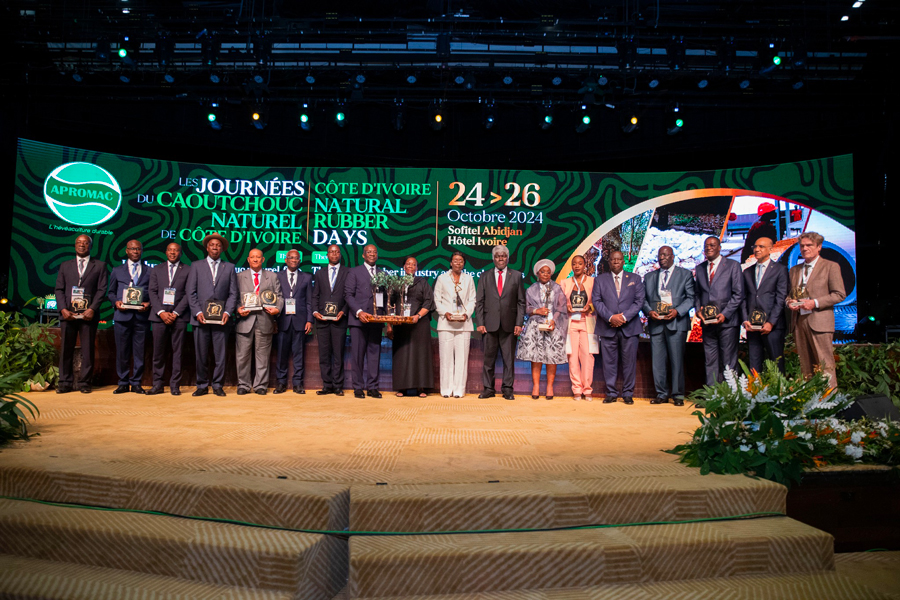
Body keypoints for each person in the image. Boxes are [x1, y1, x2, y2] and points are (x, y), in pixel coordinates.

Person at [787, 232, 846, 388]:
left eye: (809, 245)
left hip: (819, 321)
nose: (805, 249)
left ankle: (830, 403)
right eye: (802, 246)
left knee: (824, 364)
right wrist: (789, 302)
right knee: (805, 366)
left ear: (819, 247)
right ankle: (810, 403)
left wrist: (815, 303)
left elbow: (839, 294)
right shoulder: (794, 270)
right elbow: (790, 294)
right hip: (799, 322)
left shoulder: (830, 266)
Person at [54, 234, 108, 394]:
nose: (82, 245)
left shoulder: (99, 265)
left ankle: (85, 382)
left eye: (86, 243)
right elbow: (59, 289)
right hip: (68, 314)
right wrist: (63, 309)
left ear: (90, 246)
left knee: (88, 349)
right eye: (79, 242)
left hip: (88, 315)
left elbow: (101, 289)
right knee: (66, 349)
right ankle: (64, 382)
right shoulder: (65, 265)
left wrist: (92, 309)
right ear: (75, 245)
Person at [642, 246, 695, 406]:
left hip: (676, 324)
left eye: (665, 255)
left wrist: (677, 311)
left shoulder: (685, 274)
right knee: (658, 362)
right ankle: (661, 394)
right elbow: (643, 300)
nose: (662, 258)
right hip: (656, 323)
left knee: (677, 360)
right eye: (660, 255)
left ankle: (678, 395)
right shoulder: (649, 276)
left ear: (672, 256)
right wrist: (649, 311)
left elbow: (691, 298)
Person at [186, 233, 237, 397]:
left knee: (220, 356)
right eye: (212, 245)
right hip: (201, 319)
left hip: (221, 320)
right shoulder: (196, 266)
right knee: (200, 354)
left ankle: (217, 385)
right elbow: (190, 292)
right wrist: (198, 312)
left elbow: (233, 294)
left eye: (218, 245)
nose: (215, 247)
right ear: (207, 247)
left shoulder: (229, 267)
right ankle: (201, 385)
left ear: (222, 249)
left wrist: (228, 312)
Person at [592, 250, 645, 404]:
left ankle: (628, 393)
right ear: (609, 262)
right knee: (609, 362)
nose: (616, 262)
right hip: (608, 327)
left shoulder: (635, 278)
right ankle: (611, 393)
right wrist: (610, 317)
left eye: (619, 259)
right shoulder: (600, 280)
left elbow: (639, 301)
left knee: (629, 362)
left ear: (623, 262)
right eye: (613, 259)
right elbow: (597, 301)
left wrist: (623, 317)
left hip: (629, 327)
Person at [475, 245, 526, 401]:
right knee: (488, 360)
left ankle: (507, 389)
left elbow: (521, 302)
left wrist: (519, 323)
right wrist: (480, 322)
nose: (500, 258)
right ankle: (488, 388)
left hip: (509, 325)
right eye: (497, 256)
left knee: (508, 360)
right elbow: (480, 302)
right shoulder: (484, 276)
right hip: (489, 324)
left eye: (503, 256)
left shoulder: (516, 276)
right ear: (493, 258)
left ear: (508, 258)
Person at [694, 236, 744, 385]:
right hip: (708, 324)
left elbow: (738, 293)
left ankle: (730, 397)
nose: (708, 248)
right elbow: (697, 294)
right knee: (710, 361)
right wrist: (698, 310)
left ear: (719, 247)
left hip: (727, 323)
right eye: (706, 245)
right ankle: (713, 396)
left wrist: (725, 314)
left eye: (712, 245)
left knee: (728, 361)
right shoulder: (700, 268)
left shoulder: (733, 265)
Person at [517, 259, 568, 399]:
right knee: (536, 357)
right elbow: (526, 308)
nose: (545, 274)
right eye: (542, 272)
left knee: (551, 357)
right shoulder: (531, 289)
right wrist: (536, 311)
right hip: (535, 327)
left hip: (553, 325)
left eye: (548, 272)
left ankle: (550, 387)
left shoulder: (557, 288)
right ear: (537, 274)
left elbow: (561, 307)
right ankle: (536, 386)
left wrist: (554, 320)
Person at [234, 248, 283, 395]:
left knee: (263, 356)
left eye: (258, 257)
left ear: (263, 259)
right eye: (252, 257)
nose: (255, 259)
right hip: (245, 321)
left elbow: (279, 297)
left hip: (265, 320)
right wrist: (237, 309)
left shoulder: (272, 277)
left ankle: (260, 385)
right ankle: (243, 385)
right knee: (242, 355)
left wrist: (278, 309)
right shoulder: (239, 277)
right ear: (248, 260)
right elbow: (234, 297)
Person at [107, 239, 152, 394]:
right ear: (126, 251)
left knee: (140, 351)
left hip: (141, 317)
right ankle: (123, 382)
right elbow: (111, 293)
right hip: (122, 317)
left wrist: (149, 303)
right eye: (132, 249)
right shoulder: (117, 270)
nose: (135, 251)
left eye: (138, 249)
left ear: (142, 251)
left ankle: (137, 382)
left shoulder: (149, 271)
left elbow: (154, 292)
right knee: (122, 351)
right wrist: (116, 302)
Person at [387, 256, 436, 397]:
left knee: (420, 356)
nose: (410, 266)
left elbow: (429, 302)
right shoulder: (396, 283)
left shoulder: (423, 283)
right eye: (408, 264)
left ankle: (421, 388)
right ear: (403, 267)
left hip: (419, 325)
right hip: (400, 326)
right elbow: (390, 304)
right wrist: (389, 325)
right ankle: (402, 388)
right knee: (401, 356)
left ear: (417, 268)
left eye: (413, 264)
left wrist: (418, 316)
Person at [147, 242, 191, 395]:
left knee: (177, 352)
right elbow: (152, 292)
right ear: (166, 252)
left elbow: (189, 293)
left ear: (181, 253)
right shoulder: (156, 269)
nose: (173, 253)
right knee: (158, 352)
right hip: (159, 317)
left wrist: (176, 312)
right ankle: (158, 384)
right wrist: (161, 312)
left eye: (176, 250)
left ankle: (175, 385)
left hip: (179, 317)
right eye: (170, 250)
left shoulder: (188, 270)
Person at [741, 237, 790, 373]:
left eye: (761, 247)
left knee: (776, 363)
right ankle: (754, 392)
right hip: (752, 326)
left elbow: (781, 298)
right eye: (755, 247)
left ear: (770, 249)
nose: (757, 249)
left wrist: (771, 323)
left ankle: (779, 392)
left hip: (772, 326)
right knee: (754, 364)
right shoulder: (747, 272)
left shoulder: (780, 270)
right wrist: (745, 320)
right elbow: (743, 298)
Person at [344, 244, 386, 398]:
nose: (372, 254)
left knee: (375, 354)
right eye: (369, 252)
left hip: (376, 320)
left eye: (374, 252)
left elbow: (385, 298)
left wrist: (387, 318)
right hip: (358, 321)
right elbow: (348, 295)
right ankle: (358, 387)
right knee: (357, 354)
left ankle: (373, 387)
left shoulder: (383, 274)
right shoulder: (354, 272)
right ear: (363, 255)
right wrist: (359, 312)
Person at [433, 251, 476, 398]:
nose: (458, 263)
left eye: (461, 261)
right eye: (455, 260)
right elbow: (437, 299)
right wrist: (445, 313)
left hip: (464, 324)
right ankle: (446, 390)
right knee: (445, 358)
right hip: (446, 323)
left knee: (462, 359)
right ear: (450, 263)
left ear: (464, 263)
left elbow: (472, 300)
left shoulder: (469, 279)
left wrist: (467, 314)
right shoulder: (442, 278)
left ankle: (459, 390)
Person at [274, 249, 312, 394]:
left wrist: (309, 320)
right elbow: (273, 299)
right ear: (286, 260)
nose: (294, 260)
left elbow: (309, 301)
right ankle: (281, 383)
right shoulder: (278, 276)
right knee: (281, 354)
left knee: (299, 354)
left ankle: (297, 384)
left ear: (299, 260)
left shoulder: (306, 277)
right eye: (291, 257)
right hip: (282, 320)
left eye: (297, 258)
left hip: (300, 321)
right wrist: (273, 321)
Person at [312, 244, 349, 396]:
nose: (334, 254)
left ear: (340, 254)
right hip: (322, 320)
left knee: (338, 354)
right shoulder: (320, 273)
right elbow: (315, 295)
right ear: (327, 255)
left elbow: (350, 295)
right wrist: (314, 311)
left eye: (337, 252)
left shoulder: (348, 272)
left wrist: (344, 311)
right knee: (324, 354)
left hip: (339, 319)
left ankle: (338, 386)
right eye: (331, 252)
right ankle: (327, 385)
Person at [560, 255, 597, 401]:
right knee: (572, 356)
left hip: (587, 322)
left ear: (585, 265)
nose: (577, 266)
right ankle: (576, 389)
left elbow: (598, 301)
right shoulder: (565, 283)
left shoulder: (593, 282)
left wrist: (591, 307)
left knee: (588, 356)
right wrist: (566, 307)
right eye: (574, 264)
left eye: (580, 263)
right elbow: (559, 303)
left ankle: (587, 389)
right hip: (571, 323)